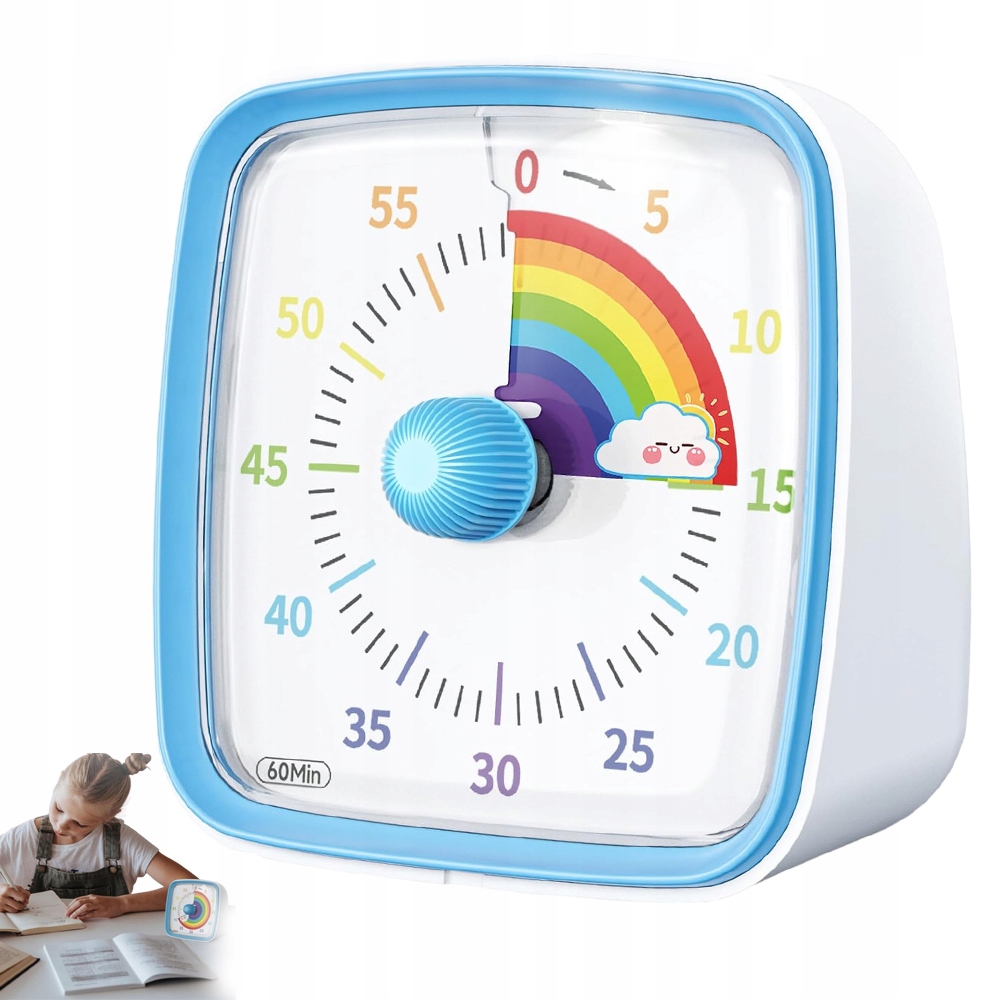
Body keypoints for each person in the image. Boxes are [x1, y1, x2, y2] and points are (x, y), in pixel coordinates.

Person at [0, 753, 196, 920]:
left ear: (110, 816)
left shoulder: (123, 841)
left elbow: (194, 890)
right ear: (58, 781)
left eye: (80, 823)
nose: (61, 824)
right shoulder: (21, 839)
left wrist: (123, 904)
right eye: (58, 808)